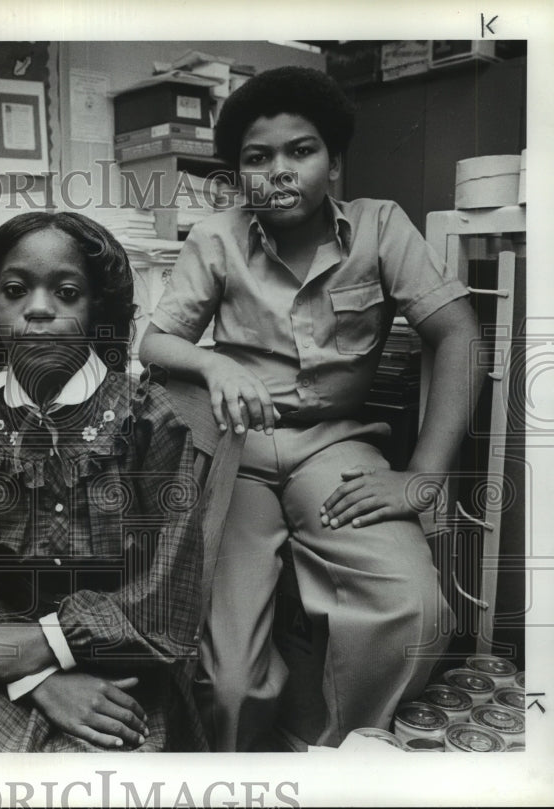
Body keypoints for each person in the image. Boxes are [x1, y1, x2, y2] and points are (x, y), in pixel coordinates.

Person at [139, 66, 483, 750]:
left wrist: (424, 475)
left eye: (302, 150)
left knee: (415, 609)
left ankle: (333, 748)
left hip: (334, 449)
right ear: (238, 175)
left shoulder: (381, 227)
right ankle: (242, 772)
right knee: (227, 679)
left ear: (334, 159)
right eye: (257, 158)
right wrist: (215, 361)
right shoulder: (218, 238)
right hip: (238, 452)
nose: (280, 171)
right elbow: (153, 341)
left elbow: (459, 334)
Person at [0, 212, 206, 752]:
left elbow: (170, 584)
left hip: (127, 660)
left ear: (98, 309)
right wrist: (37, 676)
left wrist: (56, 643)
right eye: (15, 290)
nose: (39, 309)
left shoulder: (145, 418)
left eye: (66, 292)